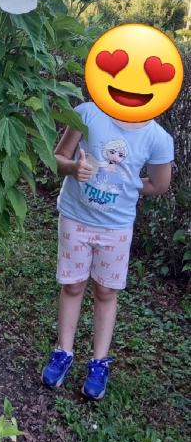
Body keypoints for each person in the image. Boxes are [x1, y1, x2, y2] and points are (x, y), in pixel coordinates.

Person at [41, 101, 174, 399]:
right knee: (73, 285)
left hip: (116, 229)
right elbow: (58, 158)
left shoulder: (157, 138)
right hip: (75, 218)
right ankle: (63, 352)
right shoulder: (88, 113)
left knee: (105, 291)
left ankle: (99, 363)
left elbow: (159, 184)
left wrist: (127, 185)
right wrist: (73, 168)